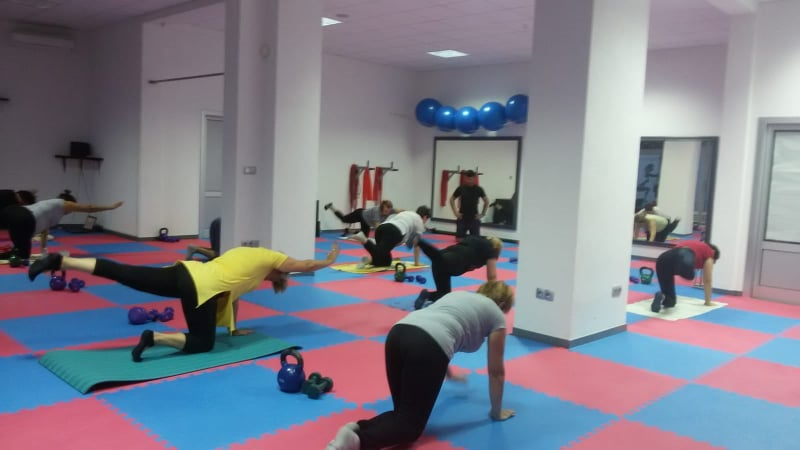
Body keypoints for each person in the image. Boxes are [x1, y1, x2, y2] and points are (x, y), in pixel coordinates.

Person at [28, 242, 341, 362]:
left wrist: (234, 330)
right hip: (199, 288)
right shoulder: (270, 257)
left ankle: (62, 261)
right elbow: (301, 264)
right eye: (276, 278)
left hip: (184, 271)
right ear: (278, 268)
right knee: (203, 343)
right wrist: (326, 262)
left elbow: (232, 297)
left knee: (125, 273)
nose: (271, 280)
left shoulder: (244, 255)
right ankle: (155, 338)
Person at [326, 281, 515, 450]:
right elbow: (496, 371)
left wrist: (448, 373)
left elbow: (438, 330)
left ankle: (355, 429)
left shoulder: (459, 296)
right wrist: (496, 412)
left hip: (399, 333)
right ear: (501, 305)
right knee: (410, 427)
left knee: (402, 414)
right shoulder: (496, 314)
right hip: (425, 346)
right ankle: (357, 441)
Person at [0, 189, 123, 260]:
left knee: (21, 255)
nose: (72, 210)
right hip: (23, 218)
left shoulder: (52, 211)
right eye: (74, 207)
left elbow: (44, 231)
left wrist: (43, 250)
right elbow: (89, 208)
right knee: (22, 256)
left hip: (21, 222)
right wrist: (110, 207)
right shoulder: (63, 203)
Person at [413, 235, 503, 310]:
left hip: (445, 258)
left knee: (444, 295)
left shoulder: (476, 239)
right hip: (454, 260)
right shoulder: (492, 249)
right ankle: (420, 242)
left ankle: (427, 295)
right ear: (497, 249)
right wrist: (493, 296)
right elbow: (492, 277)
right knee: (440, 260)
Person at [651, 240, 719, 313]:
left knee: (670, 302)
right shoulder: (710, 253)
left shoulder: (694, 245)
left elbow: (675, 257)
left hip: (662, 260)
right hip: (684, 255)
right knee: (690, 275)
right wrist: (708, 302)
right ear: (714, 253)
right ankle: (686, 270)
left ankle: (662, 296)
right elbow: (707, 280)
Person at [351, 206, 430, 268]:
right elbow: (417, 245)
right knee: (379, 252)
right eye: (427, 220)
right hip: (393, 231)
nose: (425, 222)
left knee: (386, 261)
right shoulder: (419, 221)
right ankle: (364, 239)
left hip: (381, 228)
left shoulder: (408, 213)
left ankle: (368, 260)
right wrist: (416, 263)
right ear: (425, 217)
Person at [449, 170, 489, 241]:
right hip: (462, 217)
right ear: (465, 178)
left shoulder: (479, 189)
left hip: (474, 218)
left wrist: (482, 214)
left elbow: (486, 201)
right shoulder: (461, 188)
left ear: (474, 178)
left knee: (475, 241)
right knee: (459, 240)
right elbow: (452, 199)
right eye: (467, 179)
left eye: (470, 179)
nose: (468, 181)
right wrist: (455, 212)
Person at [324, 200, 396, 238]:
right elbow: (377, 227)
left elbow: (399, 210)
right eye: (386, 210)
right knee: (344, 219)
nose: (387, 212)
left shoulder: (390, 211)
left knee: (364, 236)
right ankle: (331, 207)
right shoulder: (376, 211)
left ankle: (349, 231)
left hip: (366, 221)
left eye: (389, 210)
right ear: (382, 208)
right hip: (360, 214)